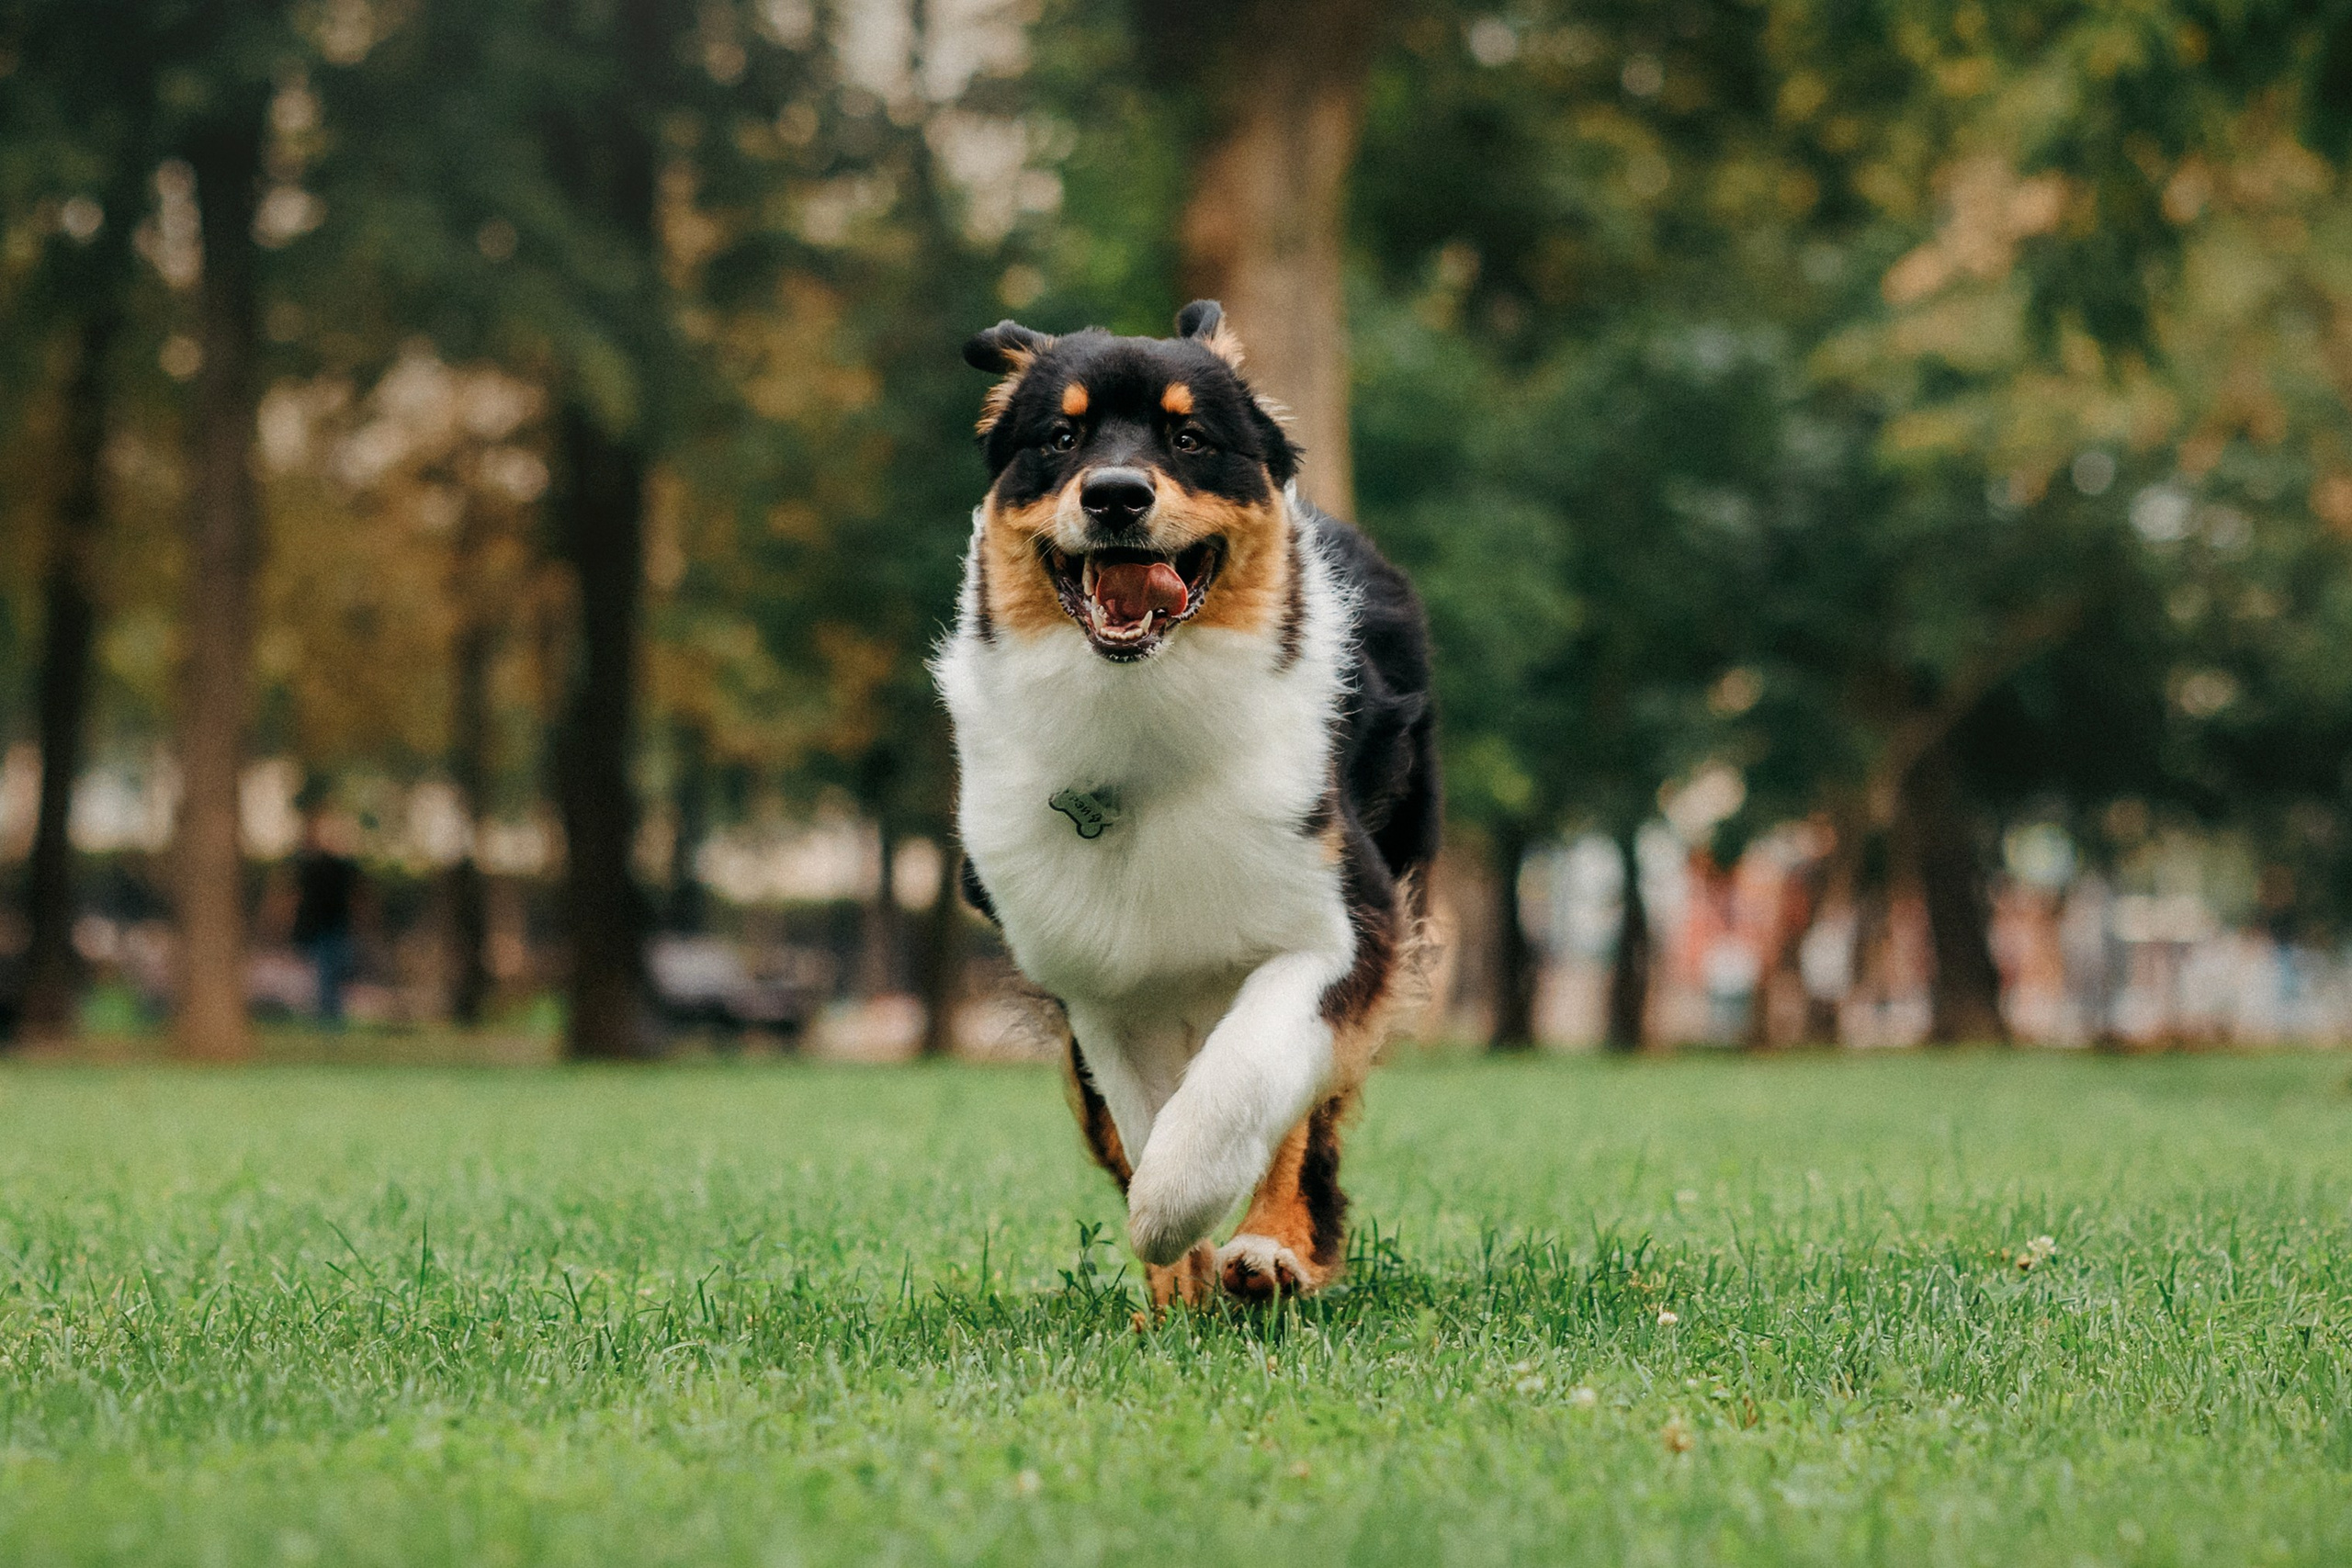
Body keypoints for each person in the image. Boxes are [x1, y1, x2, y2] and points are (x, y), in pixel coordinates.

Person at [291, 813, 363, 1027]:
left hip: (337, 927)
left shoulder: (343, 867)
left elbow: (357, 897)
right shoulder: (311, 866)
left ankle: (330, 1020)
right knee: (325, 976)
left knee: (331, 975)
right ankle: (329, 1020)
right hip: (320, 928)